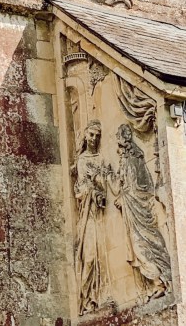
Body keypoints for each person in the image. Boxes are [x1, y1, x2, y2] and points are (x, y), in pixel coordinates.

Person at [111, 124, 172, 301]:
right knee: (140, 247)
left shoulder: (132, 160)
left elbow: (136, 189)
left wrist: (123, 196)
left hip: (138, 212)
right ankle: (158, 283)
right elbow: (119, 188)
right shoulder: (127, 160)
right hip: (132, 212)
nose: (118, 149)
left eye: (120, 144)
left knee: (141, 247)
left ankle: (161, 282)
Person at [73, 121, 107, 315]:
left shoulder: (101, 157)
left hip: (100, 212)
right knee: (89, 257)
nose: (94, 139)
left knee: (98, 256)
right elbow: (81, 189)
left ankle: (96, 298)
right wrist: (93, 190)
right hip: (88, 214)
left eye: (97, 136)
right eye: (91, 135)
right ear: (85, 136)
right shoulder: (83, 160)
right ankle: (86, 300)